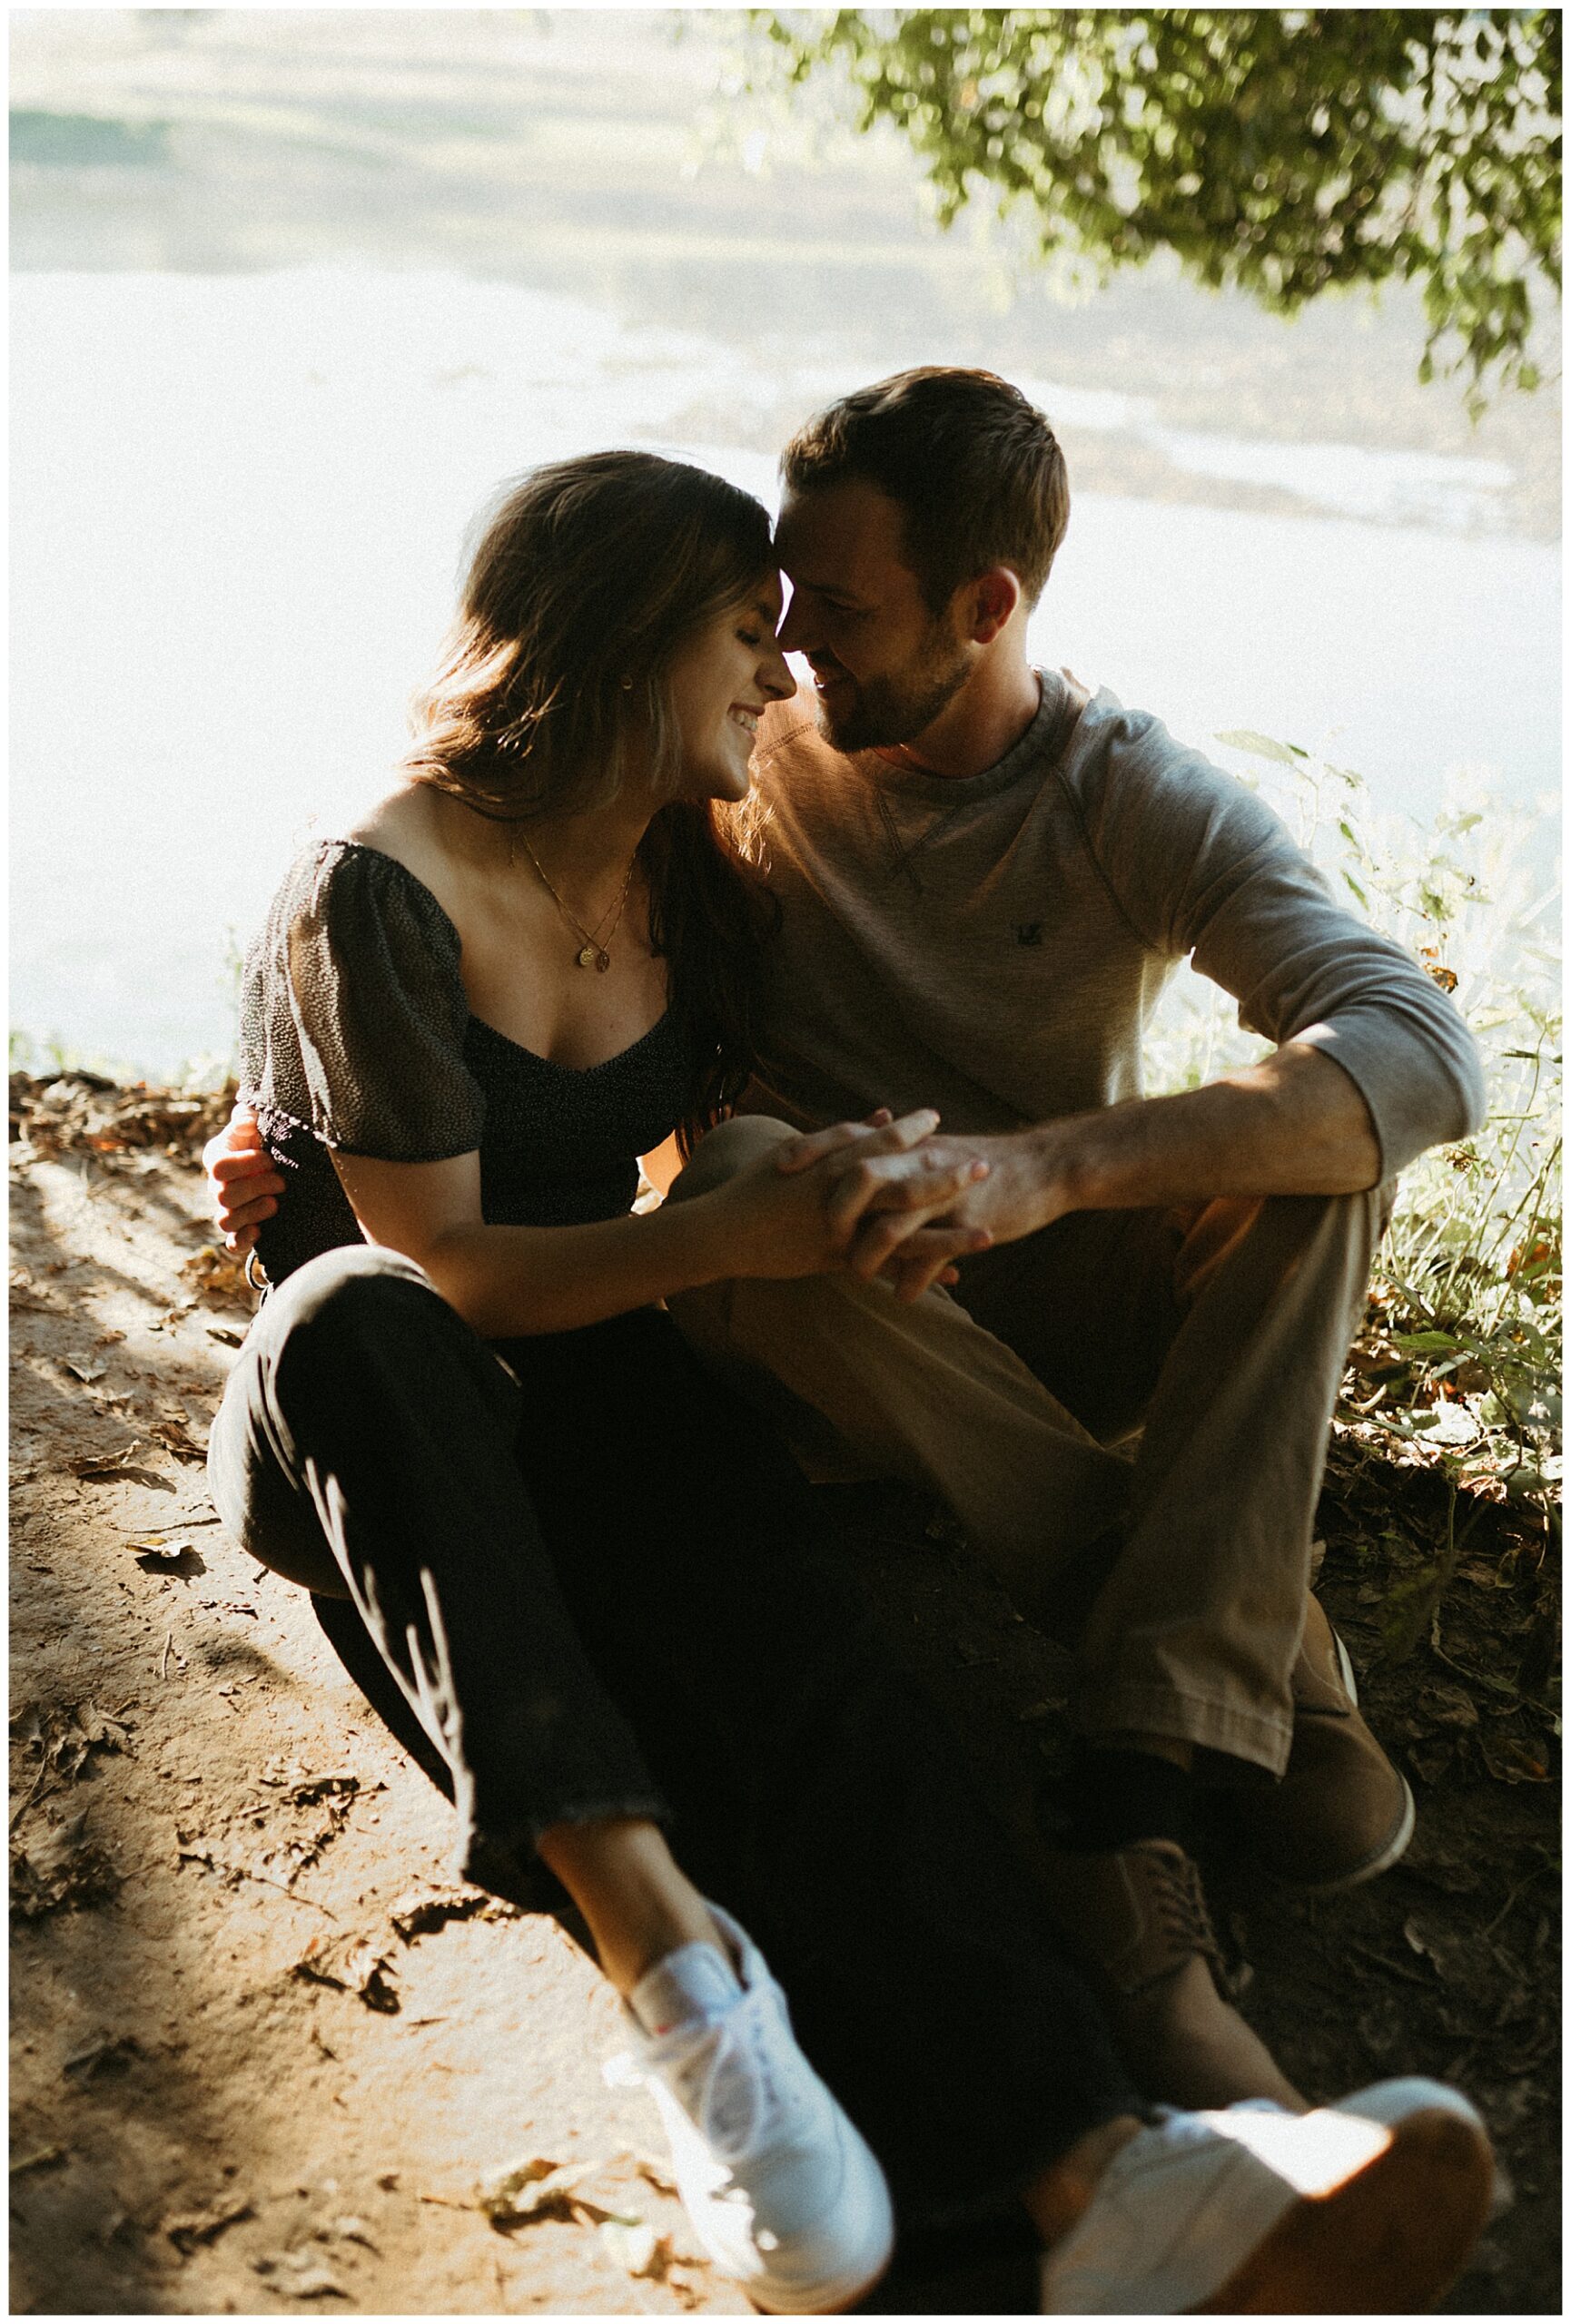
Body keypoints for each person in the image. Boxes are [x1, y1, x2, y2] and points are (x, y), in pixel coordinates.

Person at [199, 447, 1498, 2315]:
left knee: (797, 1651)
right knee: (353, 1316)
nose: (784, 673)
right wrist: (289, 1133)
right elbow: (450, 1268)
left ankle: (1093, 2175)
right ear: (630, 642)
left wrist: (865, 1176)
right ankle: (685, 1989)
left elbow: (729, 1129)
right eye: (748, 634)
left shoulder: (699, 873)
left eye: (799, 630)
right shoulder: (379, 890)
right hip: (385, 1411)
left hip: (604, 1351)